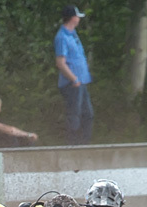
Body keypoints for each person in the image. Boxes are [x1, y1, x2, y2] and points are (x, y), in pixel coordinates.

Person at [54, 5, 93, 145]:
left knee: (87, 115)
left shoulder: (73, 34)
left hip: (81, 81)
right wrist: (73, 78)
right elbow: (60, 62)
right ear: (72, 18)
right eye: (77, 16)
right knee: (74, 116)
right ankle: (73, 146)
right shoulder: (62, 37)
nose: (79, 19)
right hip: (72, 83)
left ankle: (84, 145)